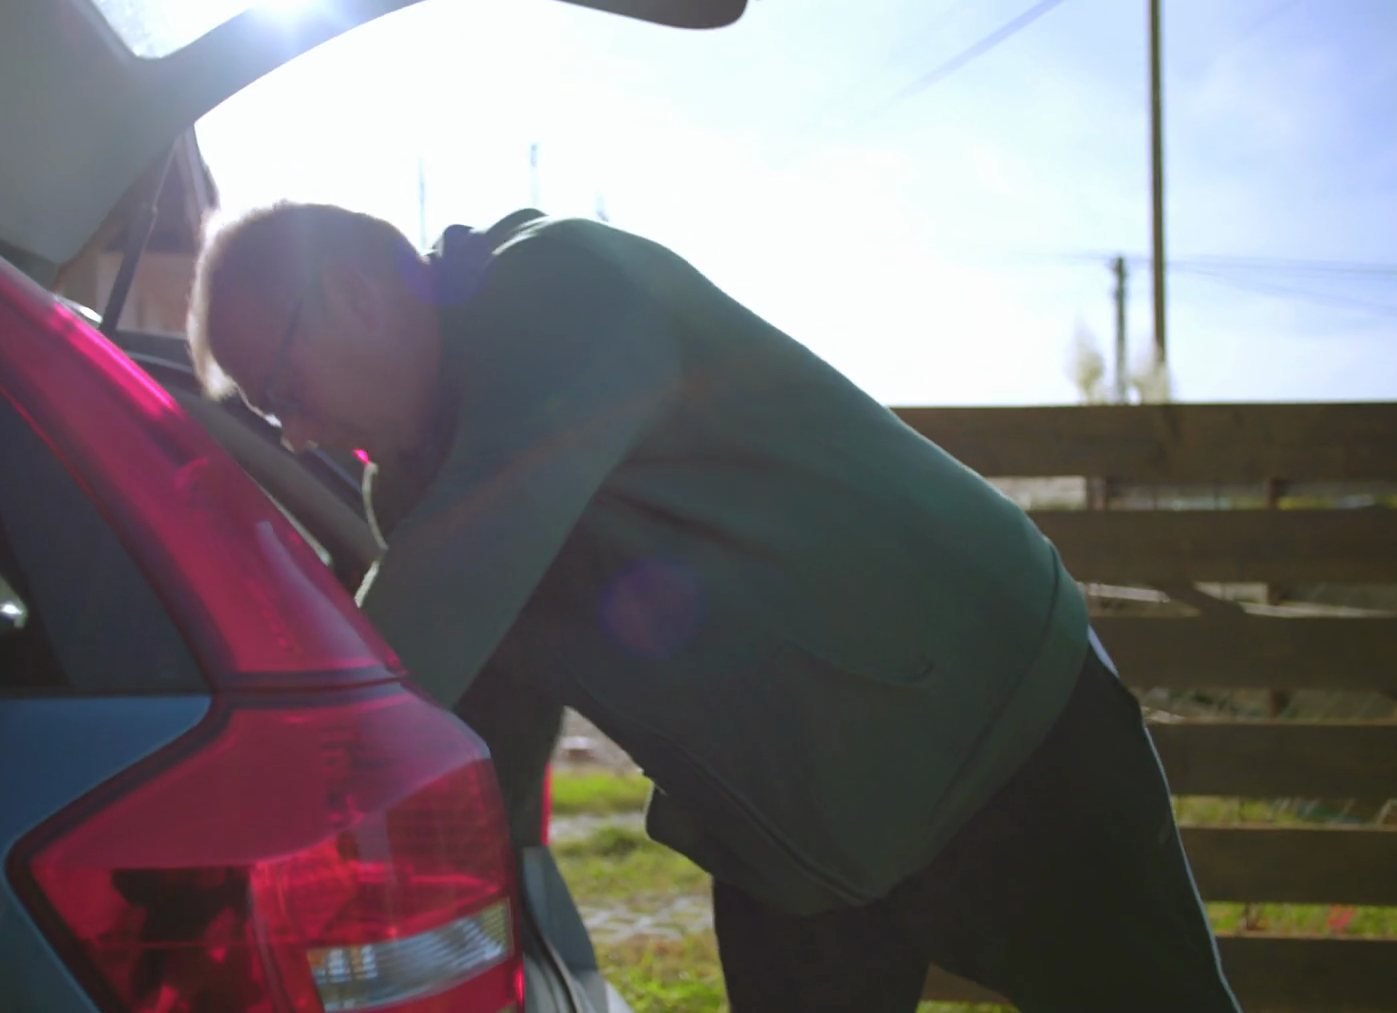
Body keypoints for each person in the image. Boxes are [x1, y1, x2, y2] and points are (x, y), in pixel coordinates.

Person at [186, 202, 1243, 1012]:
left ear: (354, 293)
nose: (297, 434)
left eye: (282, 390)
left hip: (1005, 735)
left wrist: (224, 810)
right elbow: (471, 725)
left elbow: (446, 593)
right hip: (801, 848)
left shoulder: (557, 286)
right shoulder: (415, 493)